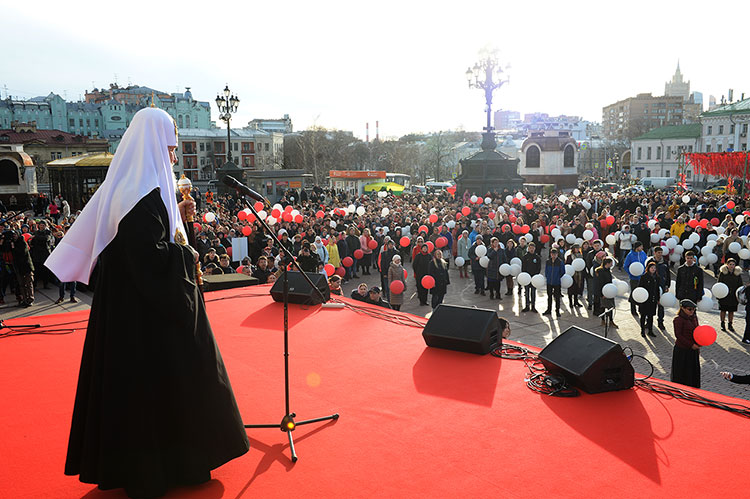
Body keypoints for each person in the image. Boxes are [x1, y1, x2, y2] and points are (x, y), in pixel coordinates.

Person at [44, 108, 249, 498]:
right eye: (170, 148)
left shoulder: (132, 189)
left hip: (130, 312)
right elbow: (153, 262)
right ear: (154, 145)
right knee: (160, 388)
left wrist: (179, 227)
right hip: (146, 321)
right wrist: (186, 253)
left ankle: (162, 465)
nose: (173, 157)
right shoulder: (142, 197)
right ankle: (167, 466)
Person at [671, 299, 702, 389]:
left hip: (693, 350)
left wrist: (699, 344)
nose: (692, 311)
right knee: (681, 373)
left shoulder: (694, 318)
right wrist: (691, 345)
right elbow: (679, 336)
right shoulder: (678, 320)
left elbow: (698, 331)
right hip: (682, 351)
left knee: (692, 373)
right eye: (689, 309)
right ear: (682, 308)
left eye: (693, 309)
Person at [717, 258, 743, 332]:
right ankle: (722, 324)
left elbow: (740, 285)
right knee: (723, 310)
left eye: (733, 264)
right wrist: (719, 293)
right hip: (724, 295)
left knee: (731, 311)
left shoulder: (737, 274)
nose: (731, 266)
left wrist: (738, 295)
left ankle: (730, 324)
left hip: (733, 296)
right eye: (730, 264)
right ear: (727, 265)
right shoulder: (723, 273)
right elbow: (719, 283)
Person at [636, 261, 660, 337]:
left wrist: (658, 298)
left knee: (651, 316)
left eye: (654, 268)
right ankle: (642, 330)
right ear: (648, 268)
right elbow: (640, 287)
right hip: (644, 299)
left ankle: (650, 330)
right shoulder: (644, 277)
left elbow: (657, 289)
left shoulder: (657, 277)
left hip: (653, 299)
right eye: (652, 268)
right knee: (643, 315)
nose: (653, 269)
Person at [593, 257, 618, 329]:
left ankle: (611, 321)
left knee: (610, 307)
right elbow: (600, 283)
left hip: (609, 291)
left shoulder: (608, 270)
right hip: (604, 292)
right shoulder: (600, 271)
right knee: (603, 307)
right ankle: (603, 320)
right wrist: (602, 294)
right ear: (607, 264)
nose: (612, 264)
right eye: (611, 263)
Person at [624, 241, 648, 315]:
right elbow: (625, 265)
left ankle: (641, 309)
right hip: (634, 278)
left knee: (641, 293)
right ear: (637, 247)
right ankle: (633, 310)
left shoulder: (643, 253)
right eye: (641, 246)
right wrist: (631, 272)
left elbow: (646, 262)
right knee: (634, 293)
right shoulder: (630, 255)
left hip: (642, 277)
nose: (642, 248)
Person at [544, 248, 564, 317]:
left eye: (555, 254)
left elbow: (562, 272)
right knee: (549, 296)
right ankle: (549, 309)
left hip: (556, 282)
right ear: (550, 254)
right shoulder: (548, 261)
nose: (553, 255)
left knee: (557, 297)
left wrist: (557, 277)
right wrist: (547, 277)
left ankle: (557, 311)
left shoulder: (560, 262)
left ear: (557, 254)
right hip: (549, 282)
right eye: (552, 254)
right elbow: (546, 271)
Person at [521, 242, 541, 312]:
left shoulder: (537, 257)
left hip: (534, 278)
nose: (531, 249)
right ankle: (527, 305)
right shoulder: (525, 257)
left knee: (533, 292)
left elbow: (539, 267)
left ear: (535, 249)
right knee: (526, 292)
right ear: (528, 248)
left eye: (533, 248)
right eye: (530, 248)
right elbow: (523, 268)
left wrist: (536, 275)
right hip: (526, 278)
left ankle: (533, 306)